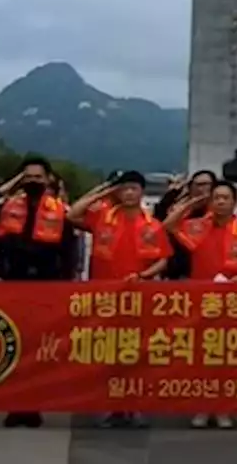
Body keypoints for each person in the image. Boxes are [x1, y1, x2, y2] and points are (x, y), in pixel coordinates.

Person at [0, 157, 79, 428]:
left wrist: (65, 285)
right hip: (13, 282)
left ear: (48, 180)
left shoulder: (60, 210)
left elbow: (69, 252)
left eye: (38, 177)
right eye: (28, 177)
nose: (33, 181)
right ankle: (14, 404)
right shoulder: (7, 205)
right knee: (13, 345)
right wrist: (10, 186)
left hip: (46, 285)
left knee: (39, 347)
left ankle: (34, 405)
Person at [71, 171, 171, 428]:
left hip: (138, 298)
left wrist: (144, 275)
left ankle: (134, 406)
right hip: (105, 296)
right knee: (106, 353)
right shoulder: (103, 217)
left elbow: (163, 258)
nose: (128, 193)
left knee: (135, 354)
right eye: (124, 189)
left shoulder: (152, 224)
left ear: (141, 192)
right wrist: (105, 189)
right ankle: (107, 406)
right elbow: (72, 214)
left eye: (133, 189)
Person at [164, 180, 237, 429]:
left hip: (231, 303)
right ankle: (201, 408)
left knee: (226, 359)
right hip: (201, 302)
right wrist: (194, 202)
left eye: (225, 198)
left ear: (234, 202)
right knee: (200, 358)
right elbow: (169, 225)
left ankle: (223, 410)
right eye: (216, 197)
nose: (220, 202)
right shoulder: (196, 227)